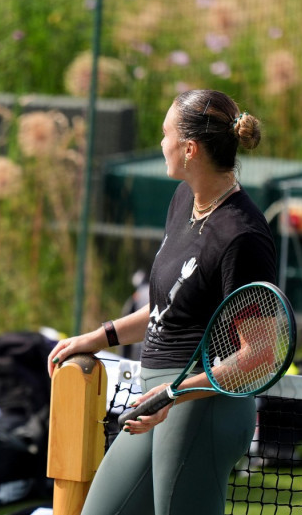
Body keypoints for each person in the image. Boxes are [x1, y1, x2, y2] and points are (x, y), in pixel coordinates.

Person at [48, 89, 275, 515]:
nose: (160, 143)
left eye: (165, 133)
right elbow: (170, 306)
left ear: (189, 149)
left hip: (203, 409)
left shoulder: (242, 235)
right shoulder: (183, 201)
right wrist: (98, 338)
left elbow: (259, 355)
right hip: (158, 399)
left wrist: (174, 393)